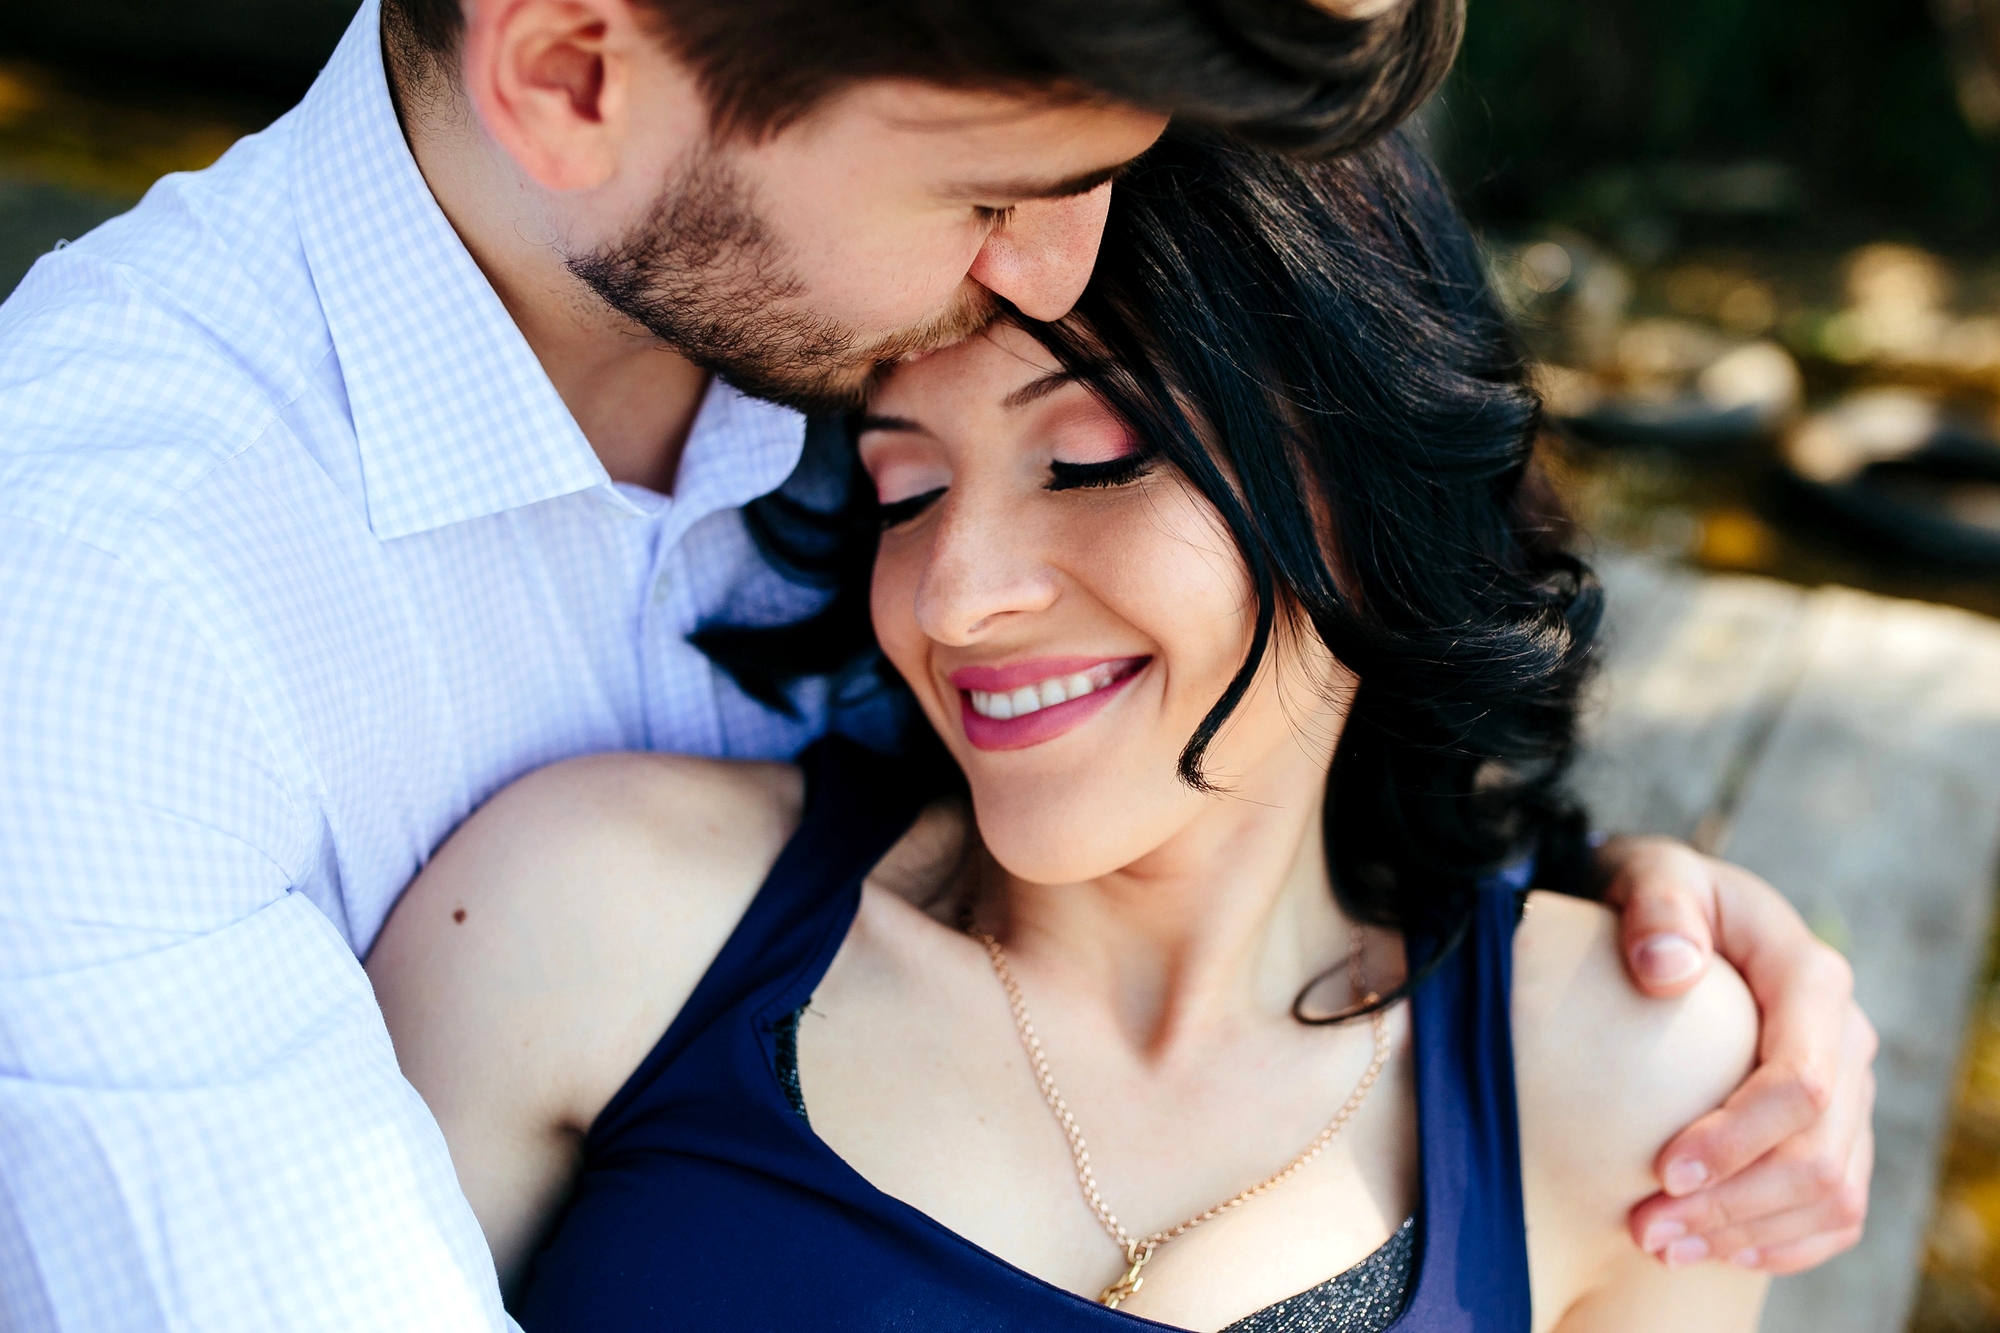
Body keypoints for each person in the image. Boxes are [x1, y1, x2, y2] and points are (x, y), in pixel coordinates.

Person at [0, 0, 1868, 1328]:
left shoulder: (800, 289)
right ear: (575, 73)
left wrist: (1624, 939)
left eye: (1083, 449)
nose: (1058, 265)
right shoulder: (99, 608)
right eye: (995, 188)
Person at [369, 130, 1790, 1331]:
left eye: (1096, 460)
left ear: (1367, 488)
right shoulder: (589, 913)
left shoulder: (1629, 1081)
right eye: (906, 489)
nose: (960, 598)